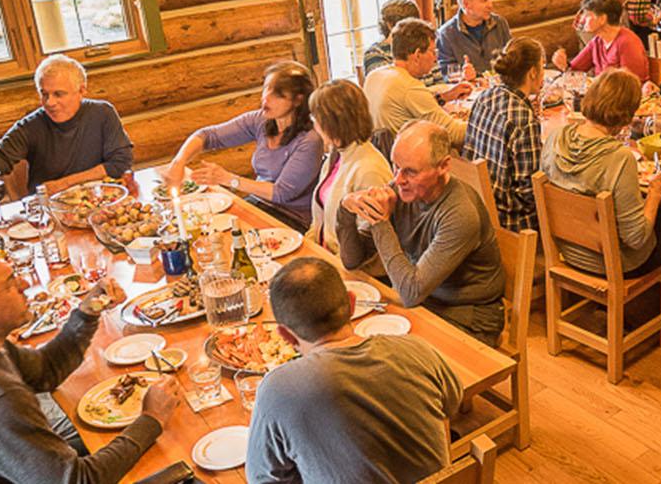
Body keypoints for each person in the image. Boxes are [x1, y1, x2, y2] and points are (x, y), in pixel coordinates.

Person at [0, 247, 168, 483]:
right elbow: (80, 480)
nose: (25, 284)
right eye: (10, 283)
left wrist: (86, 314)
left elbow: (44, 372)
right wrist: (152, 419)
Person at [246, 258, 462, 484]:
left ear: (285, 336)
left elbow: (263, 479)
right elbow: (453, 403)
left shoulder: (278, 391)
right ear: (351, 303)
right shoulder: (417, 349)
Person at [336, 121, 507, 345]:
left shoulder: (460, 213)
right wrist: (346, 209)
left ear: (444, 166)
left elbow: (410, 292)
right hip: (426, 301)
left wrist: (380, 221)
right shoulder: (403, 188)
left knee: (383, 359)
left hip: (468, 317)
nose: (398, 179)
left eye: (410, 172)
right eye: (395, 166)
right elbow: (352, 260)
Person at [541, 70, 661, 277]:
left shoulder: (555, 136)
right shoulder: (620, 158)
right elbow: (636, 238)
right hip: (612, 263)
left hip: (568, 251)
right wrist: (655, 193)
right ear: (627, 115)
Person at [161, 61, 323, 230]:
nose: (265, 98)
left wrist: (227, 179)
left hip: (291, 219)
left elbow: (282, 193)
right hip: (258, 205)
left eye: (277, 94)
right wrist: (178, 163)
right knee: (204, 227)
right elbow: (207, 136)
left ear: (298, 100)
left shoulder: (310, 140)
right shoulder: (260, 120)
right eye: (266, 88)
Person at [0, 55, 133, 194]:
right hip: (48, 209)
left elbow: (120, 162)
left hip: (98, 200)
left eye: (59, 94)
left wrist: (63, 184)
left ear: (82, 90)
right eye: (44, 94)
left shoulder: (103, 113)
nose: (50, 103)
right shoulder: (30, 126)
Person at [306, 80, 392, 274]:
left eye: (316, 118)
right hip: (326, 259)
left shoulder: (369, 169)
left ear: (333, 123)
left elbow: (366, 250)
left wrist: (323, 268)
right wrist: (306, 250)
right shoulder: (337, 154)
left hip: (356, 274)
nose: (314, 125)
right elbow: (318, 221)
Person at [465, 39, 545, 233]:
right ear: (533, 72)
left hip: (478, 206)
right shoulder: (524, 120)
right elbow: (530, 194)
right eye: (543, 67)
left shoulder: (485, 97)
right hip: (512, 222)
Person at [363, 18, 470, 146]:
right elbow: (453, 134)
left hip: (386, 154)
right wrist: (486, 121)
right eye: (433, 52)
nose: (436, 59)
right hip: (413, 159)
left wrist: (445, 97)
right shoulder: (410, 88)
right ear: (418, 54)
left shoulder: (375, 75)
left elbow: (408, 105)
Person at [552, 0, 650, 82]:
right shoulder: (597, 41)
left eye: (587, 15)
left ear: (602, 19)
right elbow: (576, 71)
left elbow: (632, 84)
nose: (582, 20)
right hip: (603, 95)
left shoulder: (627, 42)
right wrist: (564, 65)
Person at [434, 0, 512, 80]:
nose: (490, 5)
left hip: (499, 90)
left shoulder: (500, 23)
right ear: (466, 4)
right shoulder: (446, 34)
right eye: (484, 0)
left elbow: (512, 60)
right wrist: (463, 75)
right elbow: (447, 76)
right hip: (469, 93)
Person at [361, 0, 427, 79]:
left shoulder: (425, 46)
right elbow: (393, 87)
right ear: (390, 25)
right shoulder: (375, 54)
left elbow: (441, 85)